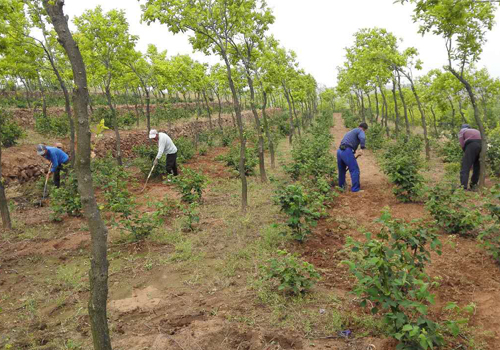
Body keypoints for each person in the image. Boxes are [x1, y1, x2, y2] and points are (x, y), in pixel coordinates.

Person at [337, 122, 368, 193]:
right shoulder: (360, 131)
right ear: (364, 129)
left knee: (342, 170)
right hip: (346, 151)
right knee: (355, 170)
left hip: (339, 151)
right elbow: (362, 138)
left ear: (358, 125)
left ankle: (341, 188)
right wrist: (362, 148)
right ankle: (355, 189)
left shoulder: (351, 131)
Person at [458, 124, 482, 190]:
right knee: (477, 166)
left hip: (471, 144)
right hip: (481, 144)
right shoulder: (475, 130)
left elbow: (462, 144)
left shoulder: (462, 131)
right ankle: (473, 185)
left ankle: (463, 187)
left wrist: (467, 158)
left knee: (465, 166)